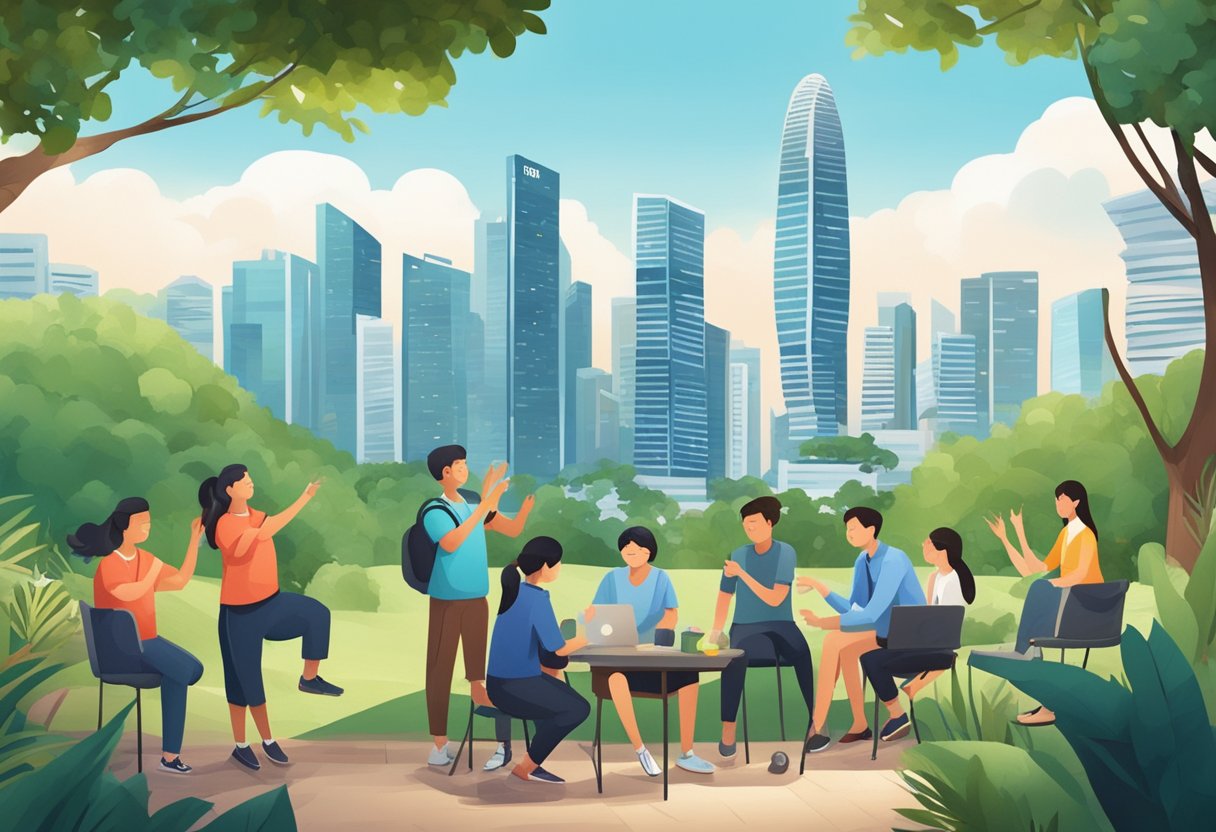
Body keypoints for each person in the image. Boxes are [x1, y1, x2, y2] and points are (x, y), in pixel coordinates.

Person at [199, 464, 344, 772]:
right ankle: (250, 743)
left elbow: (275, 523)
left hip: (272, 603)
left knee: (316, 615)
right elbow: (242, 548)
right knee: (244, 683)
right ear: (230, 490)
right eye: (244, 480)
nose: (250, 483)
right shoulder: (224, 524)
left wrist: (306, 495)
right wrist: (257, 531)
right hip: (240, 612)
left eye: (250, 478)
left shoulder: (258, 516)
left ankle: (309, 678)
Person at [68, 497, 205, 774]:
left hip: (147, 642)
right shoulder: (110, 564)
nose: (148, 528)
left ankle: (170, 756)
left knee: (189, 670)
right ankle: (170, 757)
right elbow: (127, 593)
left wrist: (194, 541)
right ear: (124, 527)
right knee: (181, 671)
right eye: (142, 523)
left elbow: (179, 581)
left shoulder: (146, 558)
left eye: (149, 523)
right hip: (121, 649)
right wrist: (152, 573)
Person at [421, 445, 535, 770]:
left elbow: (511, 529)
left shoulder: (472, 504)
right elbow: (452, 542)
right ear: (445, 473)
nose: (464, 469)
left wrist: (520, 508)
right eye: (459, 465)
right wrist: (486, 500)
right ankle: (439, 744)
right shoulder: (434, 510)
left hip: (477, 601)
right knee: (440, 670)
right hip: (446, 600)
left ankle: (501, 745)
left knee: (479, 675)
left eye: (465, 464)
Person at [585, 526, 715, 776]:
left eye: (638, 550)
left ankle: (687, 752)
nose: (631, 553)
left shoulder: (661, 578)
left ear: (649, 552)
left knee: (690, 678)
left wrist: (658, 637)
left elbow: (671, 614)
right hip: (619, 659)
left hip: (653, 658)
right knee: (616, 678)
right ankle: (640, 748)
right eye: (626, 549)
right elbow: (597, 614)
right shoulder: (612, 578)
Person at [798, 506, 925, 754]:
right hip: (884, 631)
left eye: (854, 528)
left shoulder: (893, 560)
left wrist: (824, 622)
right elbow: (855, 609)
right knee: (844, 649)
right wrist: (819, 587)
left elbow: (871, 613)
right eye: (847, 528)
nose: (849, 533)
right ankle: (860, 723)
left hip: (908, 635)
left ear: (871, 529)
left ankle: (818, 724)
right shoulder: (862, 560)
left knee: (834, 640)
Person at [986, 479, 1103, 726]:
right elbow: (1036, 569)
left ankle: (1024, 654)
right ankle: (1039, 684)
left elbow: (1080, 574)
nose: (1057, 503)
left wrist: (1049, 584)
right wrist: (1012, 534)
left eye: (1061, 499)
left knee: (1040, 588)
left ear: (1076, 502)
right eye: (1056, 499)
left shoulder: (1085, 534)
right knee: (1038, 585)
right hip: (1068, 602)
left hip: (1085, 606)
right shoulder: (1066, 533)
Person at [708, 496, 816, 760]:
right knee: (735, 658)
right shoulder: (738, 554)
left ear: (770, 522)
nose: (750, 528)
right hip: (745, 626)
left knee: (803, 653)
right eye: (746, 524)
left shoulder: (785, 552)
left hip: (781, 624)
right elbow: (725, 595)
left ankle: (815, 723)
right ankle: (728, 729)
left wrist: (742, 573)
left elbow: (775, 598)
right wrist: (716, 630)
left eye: (755, 523)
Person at [486, 536, 591, 784]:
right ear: (545, 566)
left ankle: (534, 761)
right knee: (578, 708)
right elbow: (558, 648)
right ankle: (527, 767)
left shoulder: (515, 591)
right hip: (515, 686)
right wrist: (589, 634)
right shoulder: (537, 598)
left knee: (561, 694)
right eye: (558, 563)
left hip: (502, 682)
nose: (560, 567)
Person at [859, 527, 976, 742]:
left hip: (940, 651)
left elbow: (944, 627)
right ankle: (898, 713)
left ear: (943, 550)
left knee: (871, 659)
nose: (924, 545)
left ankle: (898, 715)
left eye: (928, 543)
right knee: (873, 651)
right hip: (926, 644)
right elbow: (927, 616)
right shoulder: (936, 577)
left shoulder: (954, 580)